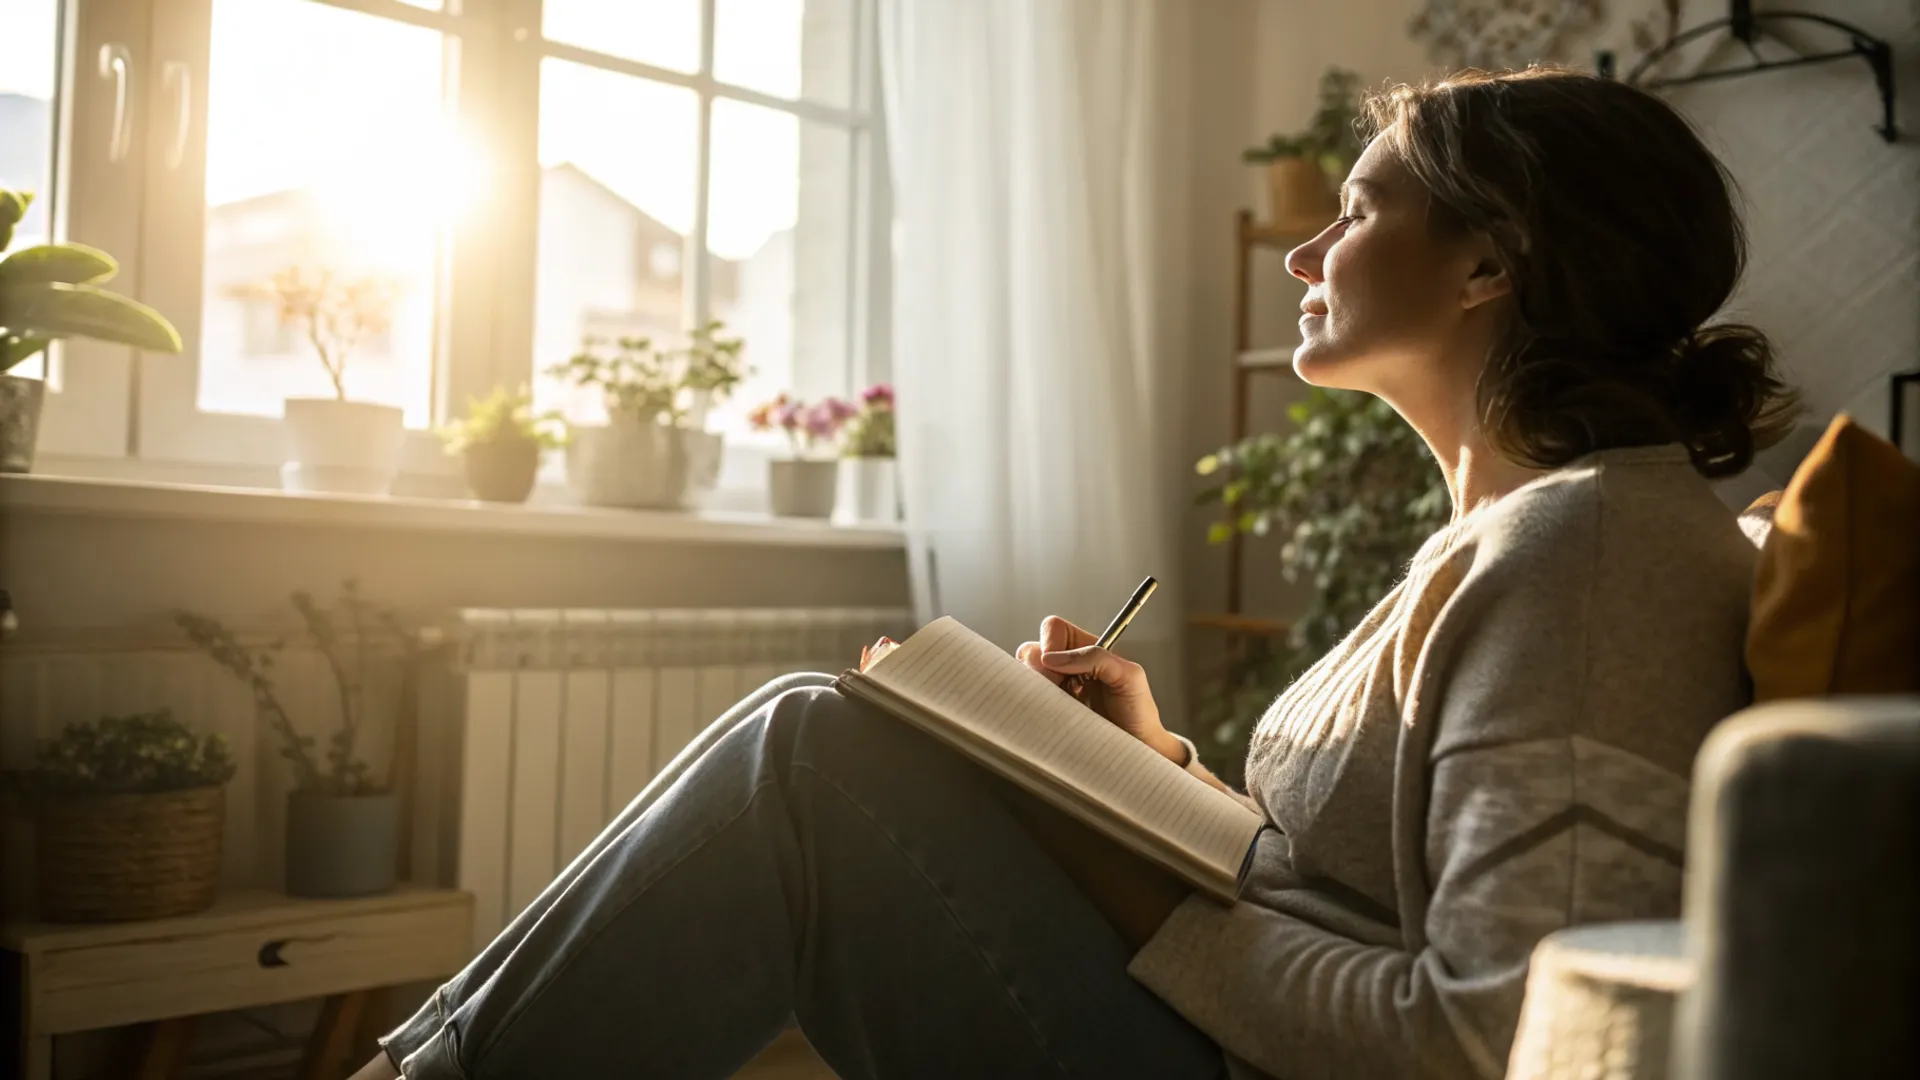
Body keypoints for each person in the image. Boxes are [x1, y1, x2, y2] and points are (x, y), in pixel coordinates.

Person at [352, 66, 1797, 1080]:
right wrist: (1148, 765)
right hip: (1221, 1037)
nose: (1305, 249)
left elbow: (1497, 1041)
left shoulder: (1585, 560)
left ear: (1491, 264)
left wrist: (1126, 877)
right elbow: (1360, 892)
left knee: (814, 756)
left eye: (1355, 211)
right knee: (820, 733)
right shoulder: (1517, 534)